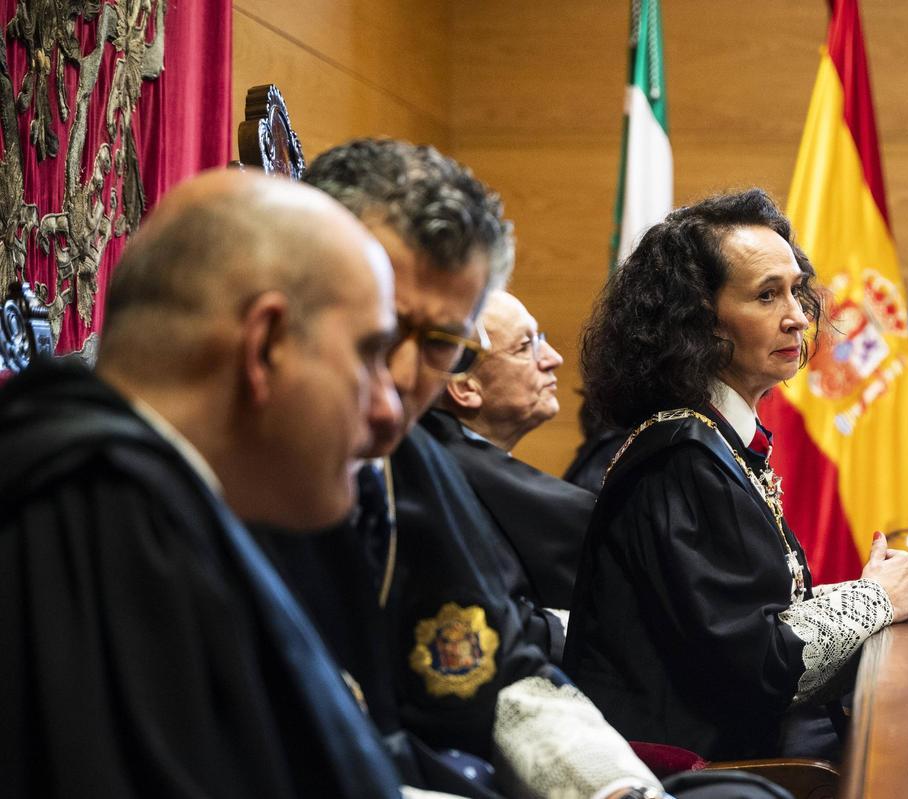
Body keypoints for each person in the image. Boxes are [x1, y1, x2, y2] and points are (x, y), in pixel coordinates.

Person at [259, 139, 663, 799]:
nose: (397, 383)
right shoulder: (157, 487)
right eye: (379, 333)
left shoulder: (407, 465)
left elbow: (503, 672)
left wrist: (615, 789)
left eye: (442, 343)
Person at [0, 171, 407, 797]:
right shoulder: (104, 518)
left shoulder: (157, 503)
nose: (388, 412)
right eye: (371, 356)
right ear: (265, 345)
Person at [563, 188, 908, 761]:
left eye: (796, 290)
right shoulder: (684, 459)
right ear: (697, 322)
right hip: (692, 771)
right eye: (767, 296)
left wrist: (878, 594)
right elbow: (762, 667)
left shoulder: (711, 439)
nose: (798, 316)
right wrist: (875, 599)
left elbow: (748, 627)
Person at [425, 290, 595, 611]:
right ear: (464, 387)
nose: (552, 357)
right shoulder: (442, 490)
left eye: (540, 337)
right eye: (524, 346)